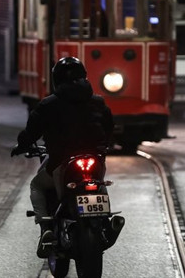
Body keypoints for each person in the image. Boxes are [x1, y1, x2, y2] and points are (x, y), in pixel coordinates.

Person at [11, 57, 115, 258]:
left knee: (37, 186)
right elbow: (109, 128)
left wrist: (21, 146)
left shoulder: (48, 105)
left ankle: (46, 227)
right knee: (98, 182)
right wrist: (103, 146)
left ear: (56, 79)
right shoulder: (99, 102)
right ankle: (105, 221)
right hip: (95, 160)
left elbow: (31, 132)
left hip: (61, 162)